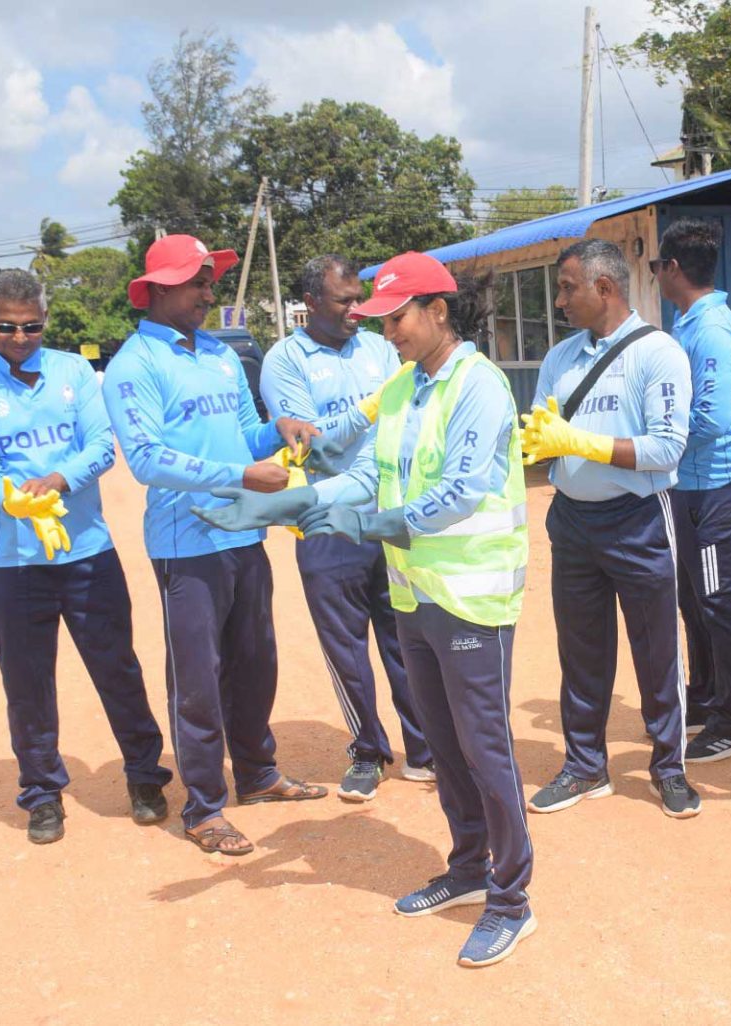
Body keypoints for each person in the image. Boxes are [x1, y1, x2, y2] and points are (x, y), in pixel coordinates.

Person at [196, 252, 537, 968]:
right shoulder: (404, 385)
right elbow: (366, 476)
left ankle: (511, 900)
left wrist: (370, 525)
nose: (388, 332)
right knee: (444, 746)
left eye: (397, 318)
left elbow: (462, 492)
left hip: (472, 596)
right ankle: (468, 867)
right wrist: (286, 503)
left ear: (438, 311)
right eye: (381, 320)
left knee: (484, 748)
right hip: (416, 593)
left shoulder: (479, 385)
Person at [101, 234, 326, 856]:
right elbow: (147, 460)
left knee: (256, 663)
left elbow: (243, 434)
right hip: (187, 543)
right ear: (158, 289)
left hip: (244, 532)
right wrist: (240, 477)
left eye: (209, 281)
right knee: (198, 679)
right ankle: (203, 807)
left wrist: (278, 430)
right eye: (196, 282)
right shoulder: (135, 365)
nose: (208, 293)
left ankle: (257, 772)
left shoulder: (221, 354)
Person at [0, 268, 172, 845]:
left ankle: (145, 776)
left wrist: (59, 480)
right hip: (15, 564)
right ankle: (42, 794)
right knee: (27, 686)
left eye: (32, 326)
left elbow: (101, 448)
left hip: (88, 554)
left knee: (118, 670)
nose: (20, 338)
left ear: (45, 319)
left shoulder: (73, 372)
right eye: (7, 327)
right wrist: (16, 500)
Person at [521, 239, 700, 819]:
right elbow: (544, 431)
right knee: (580, 651)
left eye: (567, 288)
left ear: (604, 288)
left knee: (656, 650)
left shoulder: (657, 352)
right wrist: (537, 445)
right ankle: (584, 765)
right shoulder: (560, 358)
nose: (559, 300)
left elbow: (667, 447)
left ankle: (669, 768)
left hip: (637, 519)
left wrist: (582, 443)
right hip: (572, 521)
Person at [259, 254, 433, 802]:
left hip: (387, 513)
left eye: (360, 299)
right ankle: (367, 750)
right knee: (346, 646)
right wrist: (366, 411)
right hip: (329, 521)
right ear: (311, 303)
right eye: (344, 301)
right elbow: (311, 442)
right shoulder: (284, 361)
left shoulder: (379, 349)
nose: (357, 310)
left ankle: (425, 748)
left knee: (406, 635)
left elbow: (405, 418)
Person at [650, 219, 731, 762]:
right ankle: (706, 697)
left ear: (673, 268)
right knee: (693, 600)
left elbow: (712, 419)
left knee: (719, 601)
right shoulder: (687, 321)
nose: (655, 275)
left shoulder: (710, 329)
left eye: (655, 265)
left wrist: (654, 440)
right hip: (689, 484)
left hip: (715, 484)